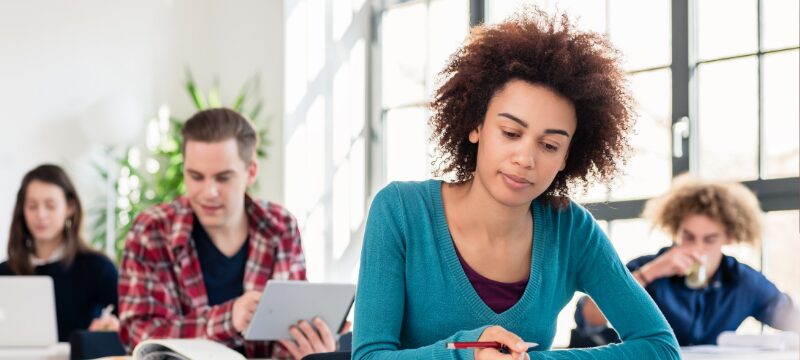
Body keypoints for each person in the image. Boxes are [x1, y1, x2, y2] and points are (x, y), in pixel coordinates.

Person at [352, 9, 680, 360]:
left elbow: (660, 347)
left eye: (549, 145)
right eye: (510, 133)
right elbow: (369, 356)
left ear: (567, 156)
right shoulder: (401, 210)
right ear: (476, 126)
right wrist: (467, 355)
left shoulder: (571, 230)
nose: (526, 158)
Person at [118, 108, 339, 359]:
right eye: (196, 176)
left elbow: (288, 329)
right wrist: (229, 318)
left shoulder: (280, 226)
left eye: (223, 178)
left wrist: (312, 349)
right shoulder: (152, 231)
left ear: (251, 172)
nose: (208, 192)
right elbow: (140, 336)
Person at [572, 174, 800, 347]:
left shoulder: (743, 281)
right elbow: (589, 318)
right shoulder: (646, 268)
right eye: (688, 237)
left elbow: (792, 319)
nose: (697, 248)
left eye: (709, 239)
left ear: (729, 237)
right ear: (675, 229)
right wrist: (650, 273)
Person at [0, 164, 119, 342]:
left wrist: (110, 328)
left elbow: (128, 329)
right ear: (22, 210)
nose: (41, 215)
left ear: (70, 208)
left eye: (50, 205)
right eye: (32, 206)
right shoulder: (5, 273)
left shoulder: (99, 268)